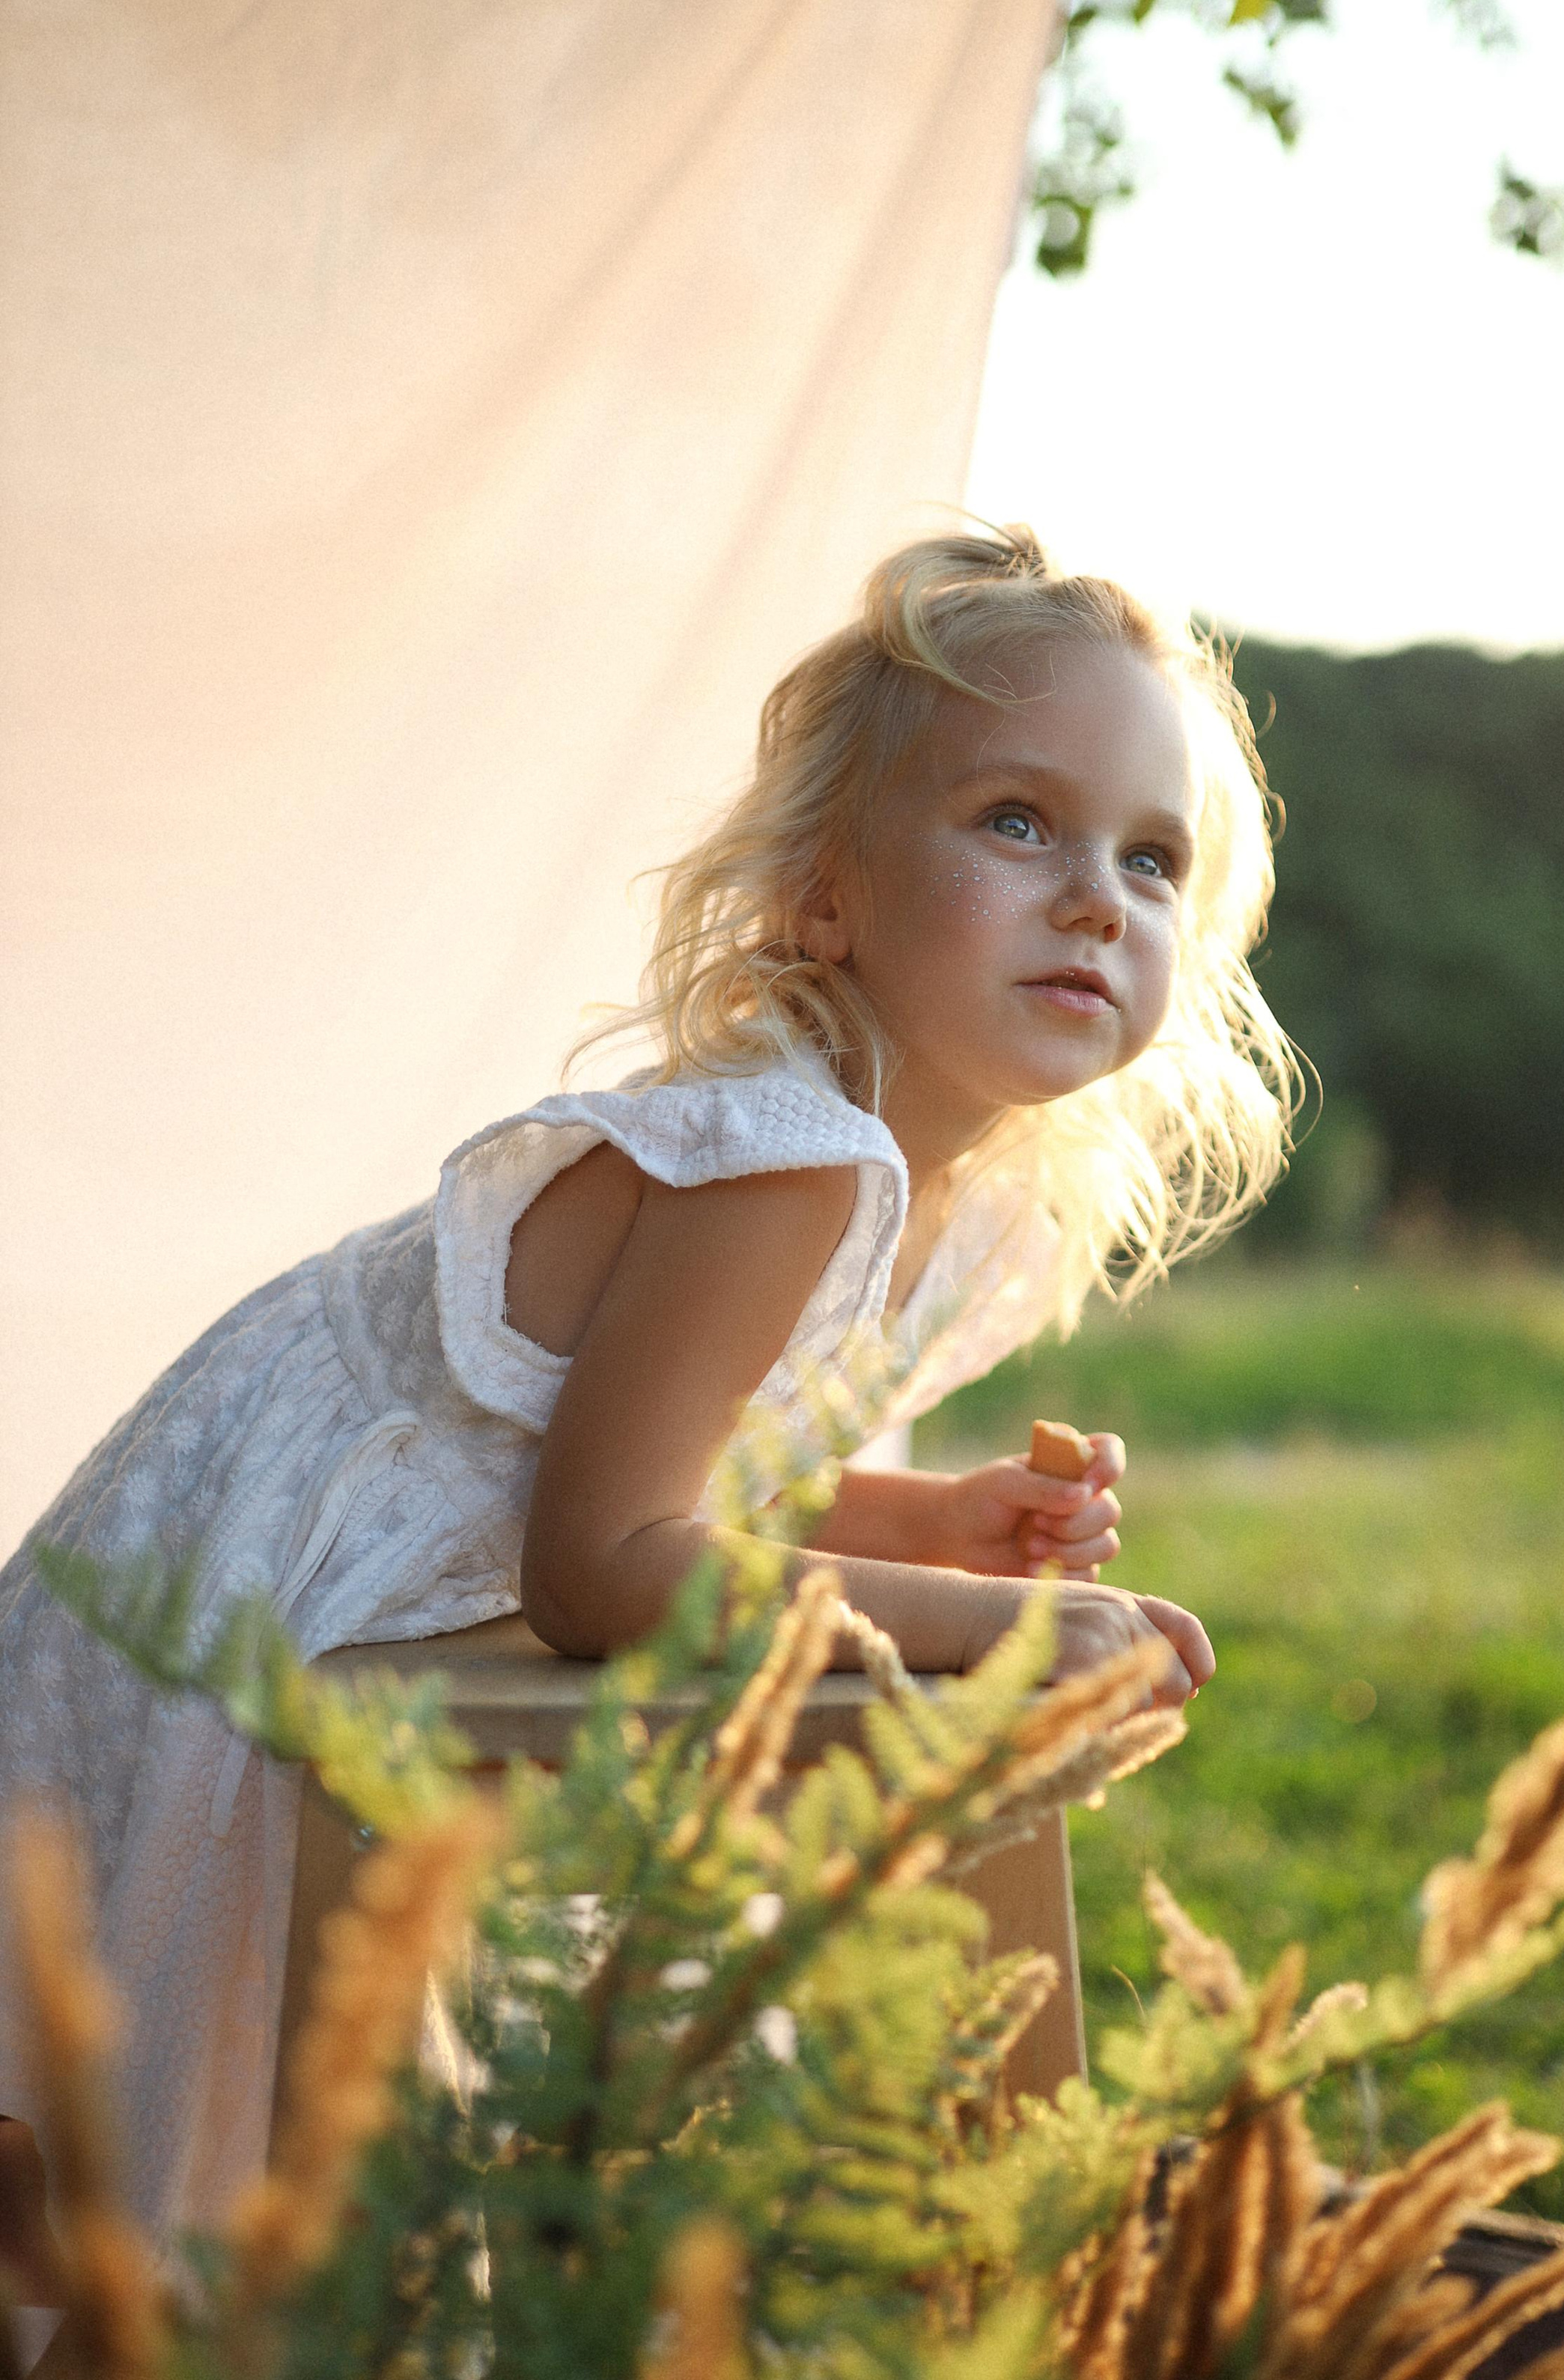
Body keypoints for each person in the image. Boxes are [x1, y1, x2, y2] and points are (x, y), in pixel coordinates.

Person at [0, 520, 1296, 2269]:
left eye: (1152, 860)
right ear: (821, 893)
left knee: (103, 2194)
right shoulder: (786, 1156)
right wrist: (977, 1626)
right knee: (133, 2192)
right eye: (1016, 821)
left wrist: (926, 1521)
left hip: (359, 1553)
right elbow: (601, 1564)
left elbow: (658, 1470)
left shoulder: (923, 1196)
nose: (1093, 895)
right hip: (239, 1593)